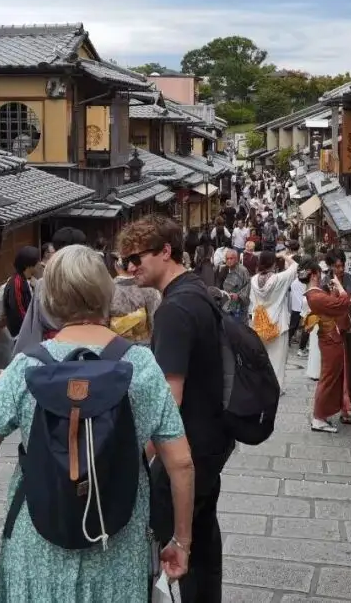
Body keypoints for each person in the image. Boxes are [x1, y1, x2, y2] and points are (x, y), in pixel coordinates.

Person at [0, 246, 194, 603]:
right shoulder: (142, 364)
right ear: (105, 292)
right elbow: (180, 462)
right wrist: (182, 540)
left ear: (49, 299)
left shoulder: (28, 366)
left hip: (37, 541)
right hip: (117, 542)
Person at [117, 214, 233, 603]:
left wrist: (141, 453)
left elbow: (169, 398)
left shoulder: (173, 311)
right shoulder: (197, 291)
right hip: (212, 437)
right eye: (124, 261)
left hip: (187, 446)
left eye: (136, 258)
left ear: (166, 251)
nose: (130, 268)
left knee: (167, 545)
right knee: (202, 539)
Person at [12, 226, 88, 356]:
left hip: (53, 351)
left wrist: (24, 358)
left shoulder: (44, 283)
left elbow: (33, 327)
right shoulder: (93, 281)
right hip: (89, 348)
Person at [303, 260, 351, 433]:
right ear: (315, 274)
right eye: (321, 273)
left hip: (329, 337)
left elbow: (333, 306)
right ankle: (318, 417)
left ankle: (321, 415)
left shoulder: (314, 295)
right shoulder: (315, 296)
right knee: (328, 378)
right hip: (330, 340)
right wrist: (339, 285)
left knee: (330, 377)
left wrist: (333, 292)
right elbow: (343, 303)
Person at [248, 250, 299, 395]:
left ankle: (261, 385)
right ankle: (275, 388)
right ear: (274, 263)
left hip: (260, 322)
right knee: (277, 358)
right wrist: (284, 256)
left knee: (262, 357)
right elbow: (295, 266)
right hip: (278, 323)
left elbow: (253, 302)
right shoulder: (279, 278)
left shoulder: (253, 280)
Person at [326, 250, 351, 422]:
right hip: (332, 332)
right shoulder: (325, 283)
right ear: (330, 266)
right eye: (336, 266)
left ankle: (346, 407)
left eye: (342, 265)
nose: (340, 269)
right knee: (334, 371)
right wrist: (348, 302)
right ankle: (330, 407)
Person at [109, 256, 162, 343]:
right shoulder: (149, 287)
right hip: (146, 344)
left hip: (116, 346)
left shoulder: (107, 290)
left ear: (116, 265)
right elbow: (155, 320)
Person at [3, 246, 41, 339]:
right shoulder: (16, 284)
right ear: (28, 265)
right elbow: (20, 312)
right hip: (22, 334)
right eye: (37, 262)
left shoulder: (27, 280)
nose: (39, 264)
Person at [215, 248, 251, 322]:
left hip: (239, 302)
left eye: (231, 258)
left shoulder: (243, 270)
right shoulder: (223, 269)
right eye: (227, 258)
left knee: (240, 326)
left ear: (236, 259)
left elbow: (247, 286)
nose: (229, 260)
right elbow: (219, 284)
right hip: (226, 301)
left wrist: (238, 296)